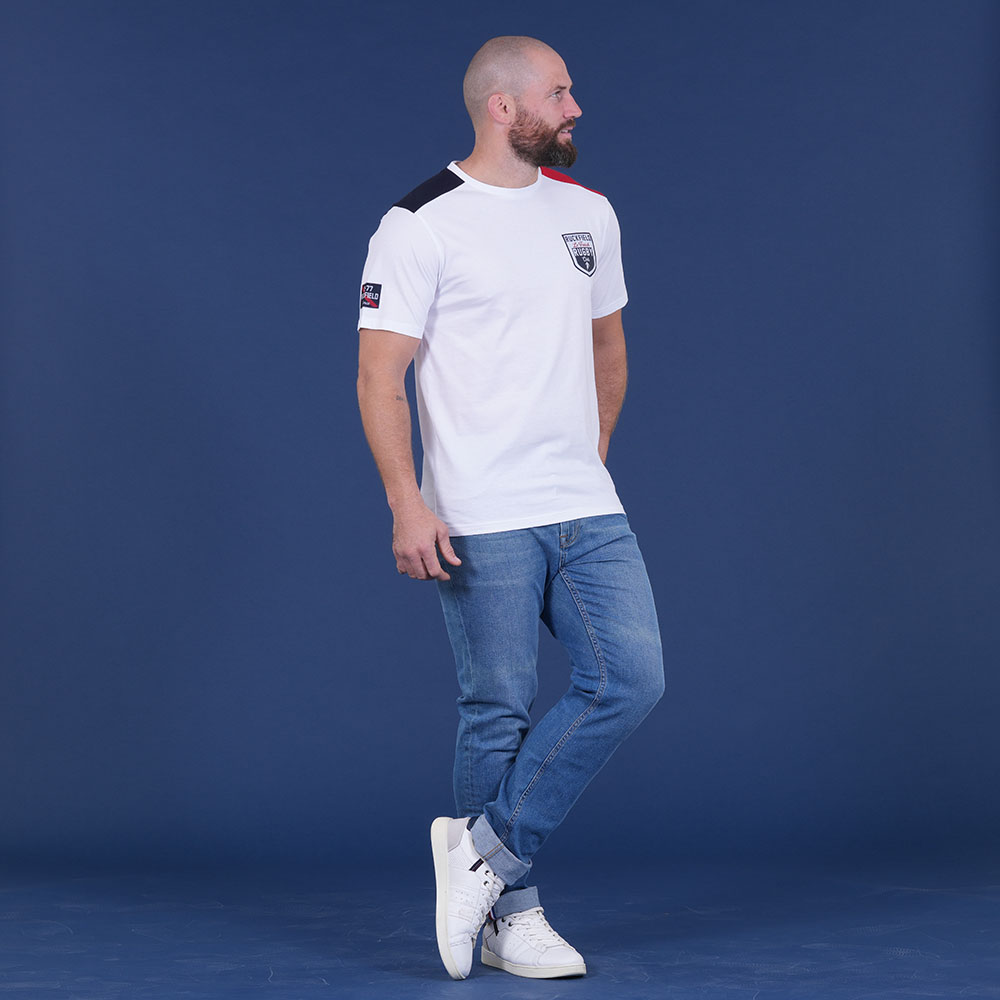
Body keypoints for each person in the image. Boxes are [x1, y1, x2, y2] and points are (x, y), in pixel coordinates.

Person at [356, 35, 664, 981]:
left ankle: (482, 855)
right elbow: (379, 376)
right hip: (478, 510)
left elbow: (609, 348)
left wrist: (588, 457)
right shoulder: (419, 223)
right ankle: (510, 916)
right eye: (559, 92)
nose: (576, 107)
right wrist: (408, 504)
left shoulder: (588, 213)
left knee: (630, 679)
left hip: (584, 504)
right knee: (496, 709)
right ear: (503, 106)